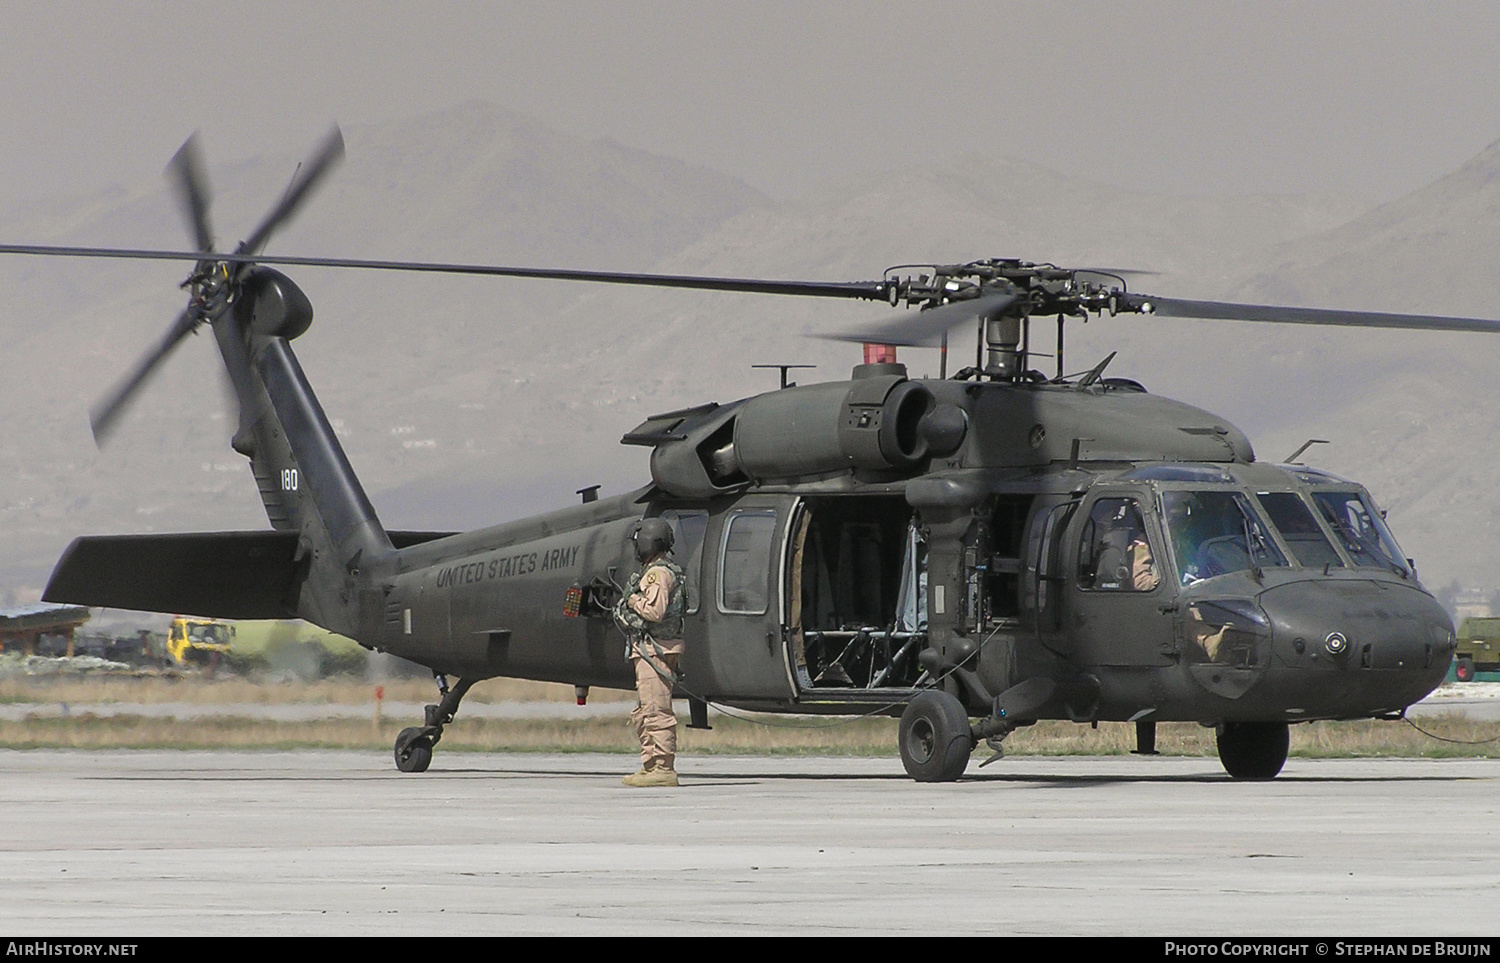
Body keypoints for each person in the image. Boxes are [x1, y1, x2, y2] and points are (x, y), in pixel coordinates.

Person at [614, 517, 687, 787]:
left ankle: (664, 769)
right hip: (649, 650)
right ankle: (651, 764)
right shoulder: (657, 571)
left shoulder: (658, 574)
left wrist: (631, 598)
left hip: (655, 650)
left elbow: (654, 612)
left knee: (656, 709)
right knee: (646, 709)